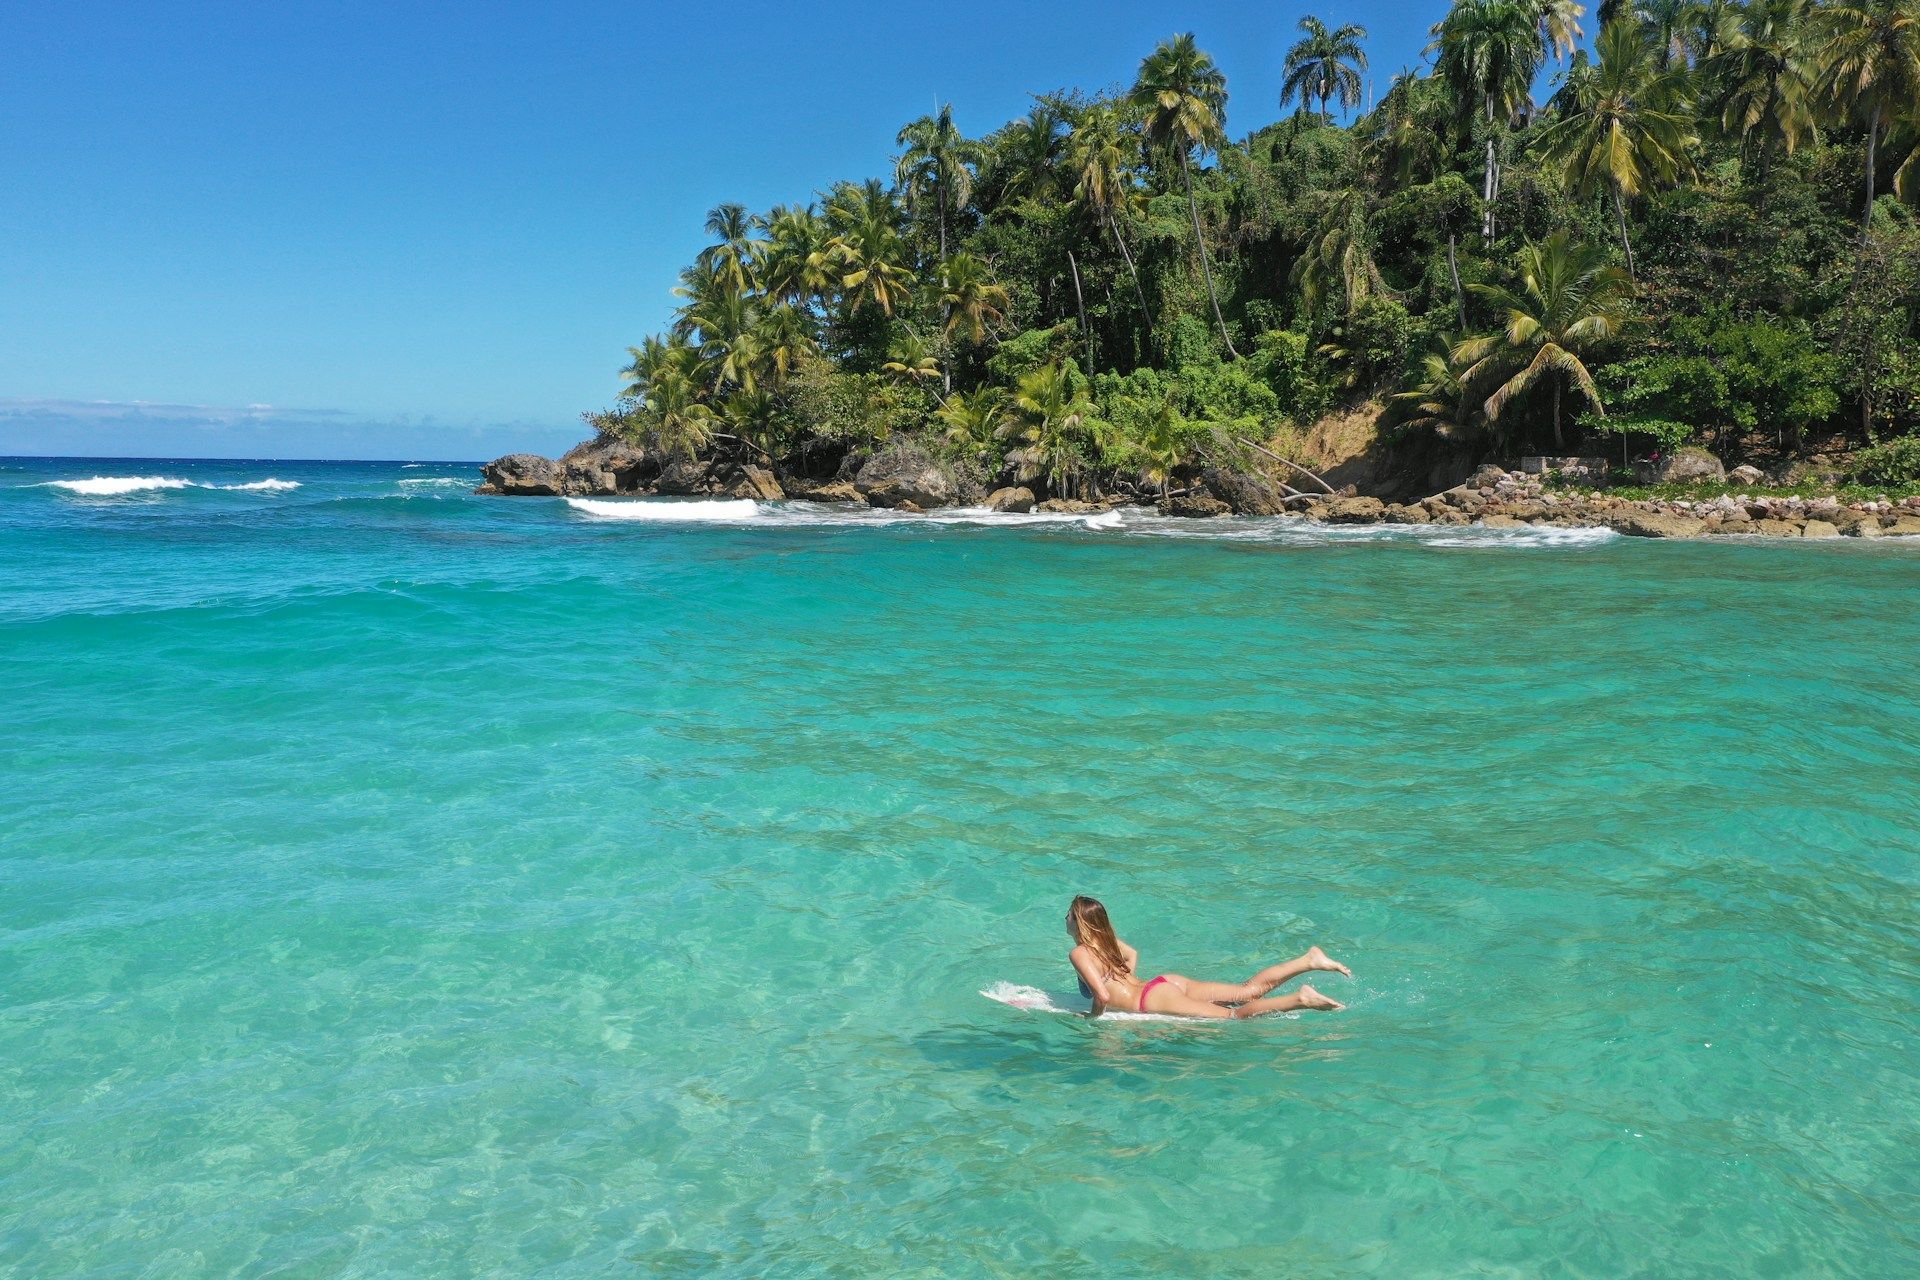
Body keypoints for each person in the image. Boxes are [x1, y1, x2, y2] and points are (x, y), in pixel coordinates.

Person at [1065, 894, 1349, 1019]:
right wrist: (1126, 980)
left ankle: (1301, 998)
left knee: (1234, 1015)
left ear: (1078, 922)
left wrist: (1092, 1019)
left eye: (1069, 915)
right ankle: (1309, 960)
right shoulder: (1105, 941)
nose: (1065, 918)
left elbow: (1101, 996)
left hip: (1149, 1000)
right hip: (1162, 984)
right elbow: (1132, 954)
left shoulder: (1079, 952)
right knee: (1246, 991)